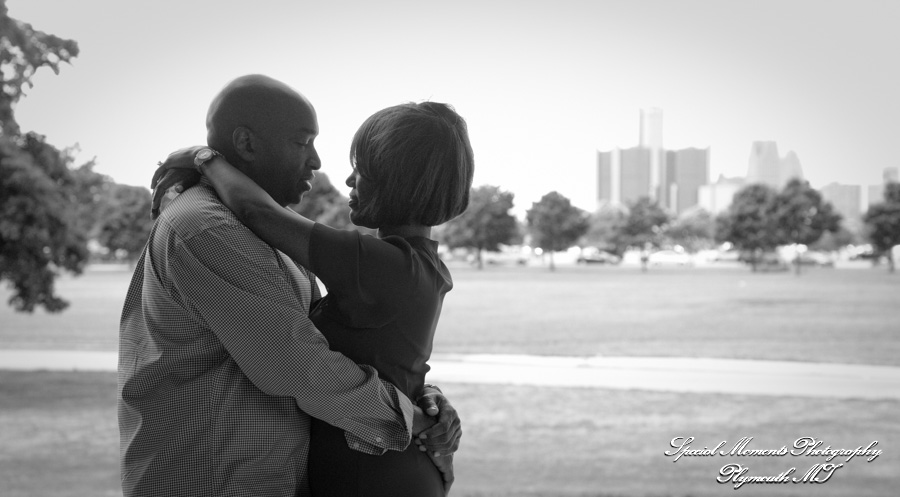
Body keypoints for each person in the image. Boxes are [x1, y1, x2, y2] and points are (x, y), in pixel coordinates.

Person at [120, 74, 461, 497]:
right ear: (246, 144)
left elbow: (352, 348)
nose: (318, 163)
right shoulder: (208, 228)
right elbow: (301, 367)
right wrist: (413, 414)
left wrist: (420, 398)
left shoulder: (274, 236)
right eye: (303, 142)